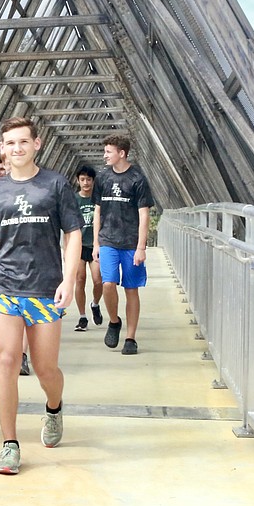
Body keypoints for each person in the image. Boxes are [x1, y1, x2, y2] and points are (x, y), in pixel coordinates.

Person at [0, 117, 82, 475]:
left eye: (22, 142)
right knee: (8, 360)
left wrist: (68, 278)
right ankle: (9, 444)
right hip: (5, 286)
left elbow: (74, 235)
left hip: (45, 287)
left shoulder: (56, 185)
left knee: (46, 368)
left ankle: (53, 406)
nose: (16, 149)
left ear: (37, 144)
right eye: (9, 143)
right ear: (2, 148)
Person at [93, 135, 154, 355]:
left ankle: (130, 338)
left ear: (122, 153)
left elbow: (144, 214)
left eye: (109, 152)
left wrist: (141, 247)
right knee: (107, 283)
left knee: (131, 289)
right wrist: (96, 243)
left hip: (130, 242)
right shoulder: (102, 178)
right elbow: (97, 210)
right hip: (108, 239)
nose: (105, 155)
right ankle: (114, 321)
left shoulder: (137, 179)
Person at [73, 165, 104, 331]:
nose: (86, 183)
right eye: (82, 179)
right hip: (78, 246)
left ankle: (95, 304)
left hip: (95, 245)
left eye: (89, 179)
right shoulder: (74, 200)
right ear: (78, 181)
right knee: (80, 279)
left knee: (98, 279)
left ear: (93, 181)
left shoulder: (98, 199)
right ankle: (82, 316)